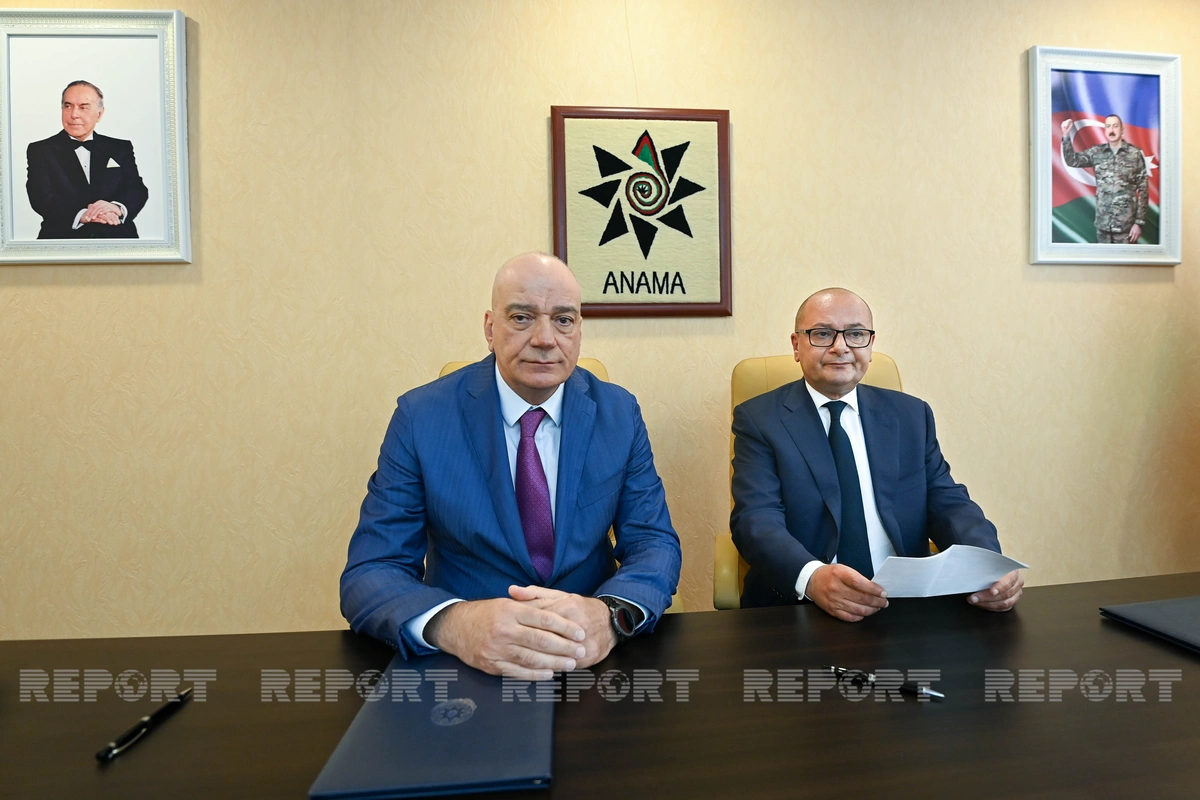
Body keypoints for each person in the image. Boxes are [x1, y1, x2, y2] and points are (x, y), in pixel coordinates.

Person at [341, 252, 681, 679]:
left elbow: (653, 542)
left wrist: (610, 615)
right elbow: (372, 570)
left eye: (563, 320)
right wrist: (456, 625)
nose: (544, 338)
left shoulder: (618, 413)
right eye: (522, 318)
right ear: (490, 329)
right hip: (468, 665)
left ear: (579, 330)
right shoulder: (422, 418)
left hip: (589, 658)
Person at [730, 288, 1023, 620]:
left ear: (870, 344)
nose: (841, 347)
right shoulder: (760, 420)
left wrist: (986, 563)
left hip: (905, 603)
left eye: (855, 334)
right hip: (803, 607)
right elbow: (756, 519)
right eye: (822, 334)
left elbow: (947, 502)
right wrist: (812, 578)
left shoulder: (910, 415)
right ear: (797, 345)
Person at [25, 80, 149, 239]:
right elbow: (40, 197)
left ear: (99, 114)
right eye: (68, 106)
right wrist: (82, 215)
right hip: (62, 241)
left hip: (117, 238)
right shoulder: (40, 150)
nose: (74, 114)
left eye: (83, 107)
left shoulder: (120, 148)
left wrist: (115, 208)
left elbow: (136, 189)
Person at [1060, 114, 1149, 244]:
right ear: (1105, 130)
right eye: (1108, 126)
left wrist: (1139, 223)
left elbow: (1143, 190)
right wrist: (1066, 135)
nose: (1111, 130)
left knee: (1124, 258)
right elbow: (1072, 160)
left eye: (1115, 126)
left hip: (1126, 228)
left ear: (1122, 130)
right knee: (1103, 258)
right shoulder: (1097, 152)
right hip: (1103, 227)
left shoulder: (1134, 154)